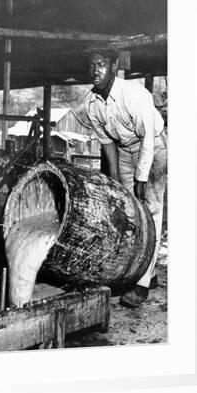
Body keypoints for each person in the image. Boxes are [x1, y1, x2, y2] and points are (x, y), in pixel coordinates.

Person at [83, 45, 167, 308]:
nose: (95, 70)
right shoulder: (91, 103)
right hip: (124, 150)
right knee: (130, 211)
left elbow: (147, 141)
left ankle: (141, 286)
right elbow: (107, 143)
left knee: (150, 210)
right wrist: (117, 182)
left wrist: (142, 178)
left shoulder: (134, 94)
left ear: (114, 67)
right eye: (92, 64)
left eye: (101, 64)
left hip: (153, 147)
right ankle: (148, 272)